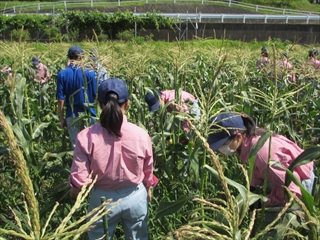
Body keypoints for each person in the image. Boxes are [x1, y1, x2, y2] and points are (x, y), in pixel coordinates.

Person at [69, 78, 158, 240]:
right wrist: (149, 188)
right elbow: (148, 169)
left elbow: (79, 178)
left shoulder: (86, 137)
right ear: (128, 103)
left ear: (100, 104)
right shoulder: (141, 135)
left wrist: (73, 194)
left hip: (103, 200)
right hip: (135, 197)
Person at [207, 112, 315, 207]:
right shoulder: (250, 139)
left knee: (275, 222)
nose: (220, 150)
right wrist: (252, 187)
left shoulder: (263, 155)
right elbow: (257, 168)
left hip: (300, 184)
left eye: (222, 145)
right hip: (283, 177)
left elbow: (291, 191)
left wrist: (261, 203)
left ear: (239, 137)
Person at [56, 46, 97, 148]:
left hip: (72, 115)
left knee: (76, 147)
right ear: (83, 58)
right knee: (90, 146)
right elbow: (95, 95)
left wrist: (61, 119)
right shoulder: (91, 73)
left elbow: (60, 100)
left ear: (69, 58)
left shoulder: (62, 74)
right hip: (89, 115)